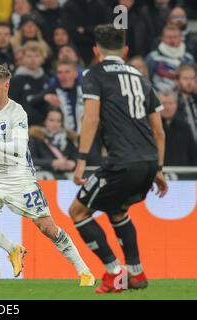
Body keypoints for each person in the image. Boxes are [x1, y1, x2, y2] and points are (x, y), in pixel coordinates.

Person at [0, 64, 95, 287]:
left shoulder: (17, 112)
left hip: (19, 179)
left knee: (47, 228)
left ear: (6, 86)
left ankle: (84, 271)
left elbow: (19, 148)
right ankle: (13, 249)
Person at [68, 24, 168, 294]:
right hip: (147, 162)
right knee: (117, 210)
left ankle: (114, 272)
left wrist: (80, 161)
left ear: (95, 50)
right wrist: (158, 168)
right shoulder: (139, 75)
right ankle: (136, 273)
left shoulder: (94, 74)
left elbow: (91, 117)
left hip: (121, 162)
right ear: (124, 50)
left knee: (77, 212)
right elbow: (158, 129)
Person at [145, 24, 194, 92]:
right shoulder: (152, 58)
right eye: (169, 37)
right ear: (163, 38)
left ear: (180, 38)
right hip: (159, 96)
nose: (172, 40)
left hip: (183, 96)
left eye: (175, 37)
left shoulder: (188, 59)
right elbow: (146, 79)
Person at [28, 108, 77, 173]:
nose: (55, 124)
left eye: (58, 121)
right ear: (45, 121)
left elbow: (77, 157)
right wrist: (52, 163)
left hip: (66, 179)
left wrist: (73, 163)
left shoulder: (68, 139)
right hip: (44, 179)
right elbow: (30, 160)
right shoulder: (35, 139)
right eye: (51, 120)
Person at [159, 90, 197, 166]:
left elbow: (193, 154)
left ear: (176, 105)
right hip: (159, 173)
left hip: (183, 174)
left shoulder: (185, 127)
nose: (167, 107)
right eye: (163, 104)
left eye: (170, 103)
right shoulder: (152, 128)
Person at [176, 64, 197, 145]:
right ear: (177, 81)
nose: (189, 82)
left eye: (192, 78)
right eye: (185, 78)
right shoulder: (172, 102)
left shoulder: (194, 99)